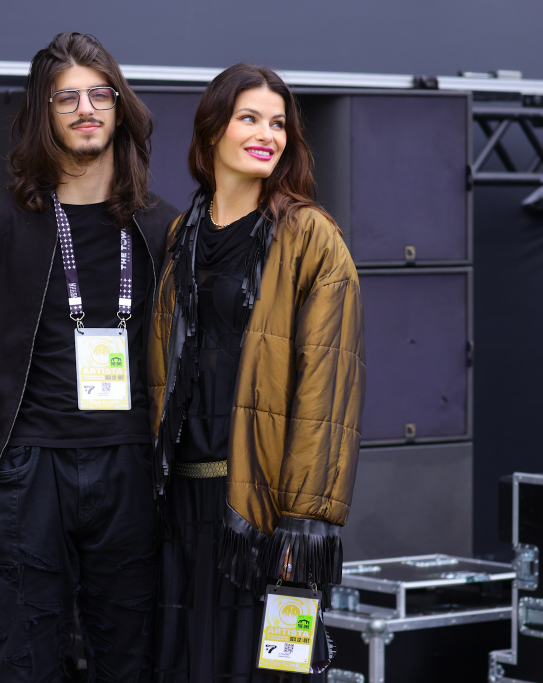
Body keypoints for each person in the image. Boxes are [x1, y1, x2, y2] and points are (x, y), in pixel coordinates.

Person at [0, 32, 179, 682]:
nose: (85, 108)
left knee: (132, 655)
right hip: (28, 469)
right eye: (65, 96)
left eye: (99, 93)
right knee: (17, 656)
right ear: (42, 113)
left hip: (132, 466)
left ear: (120, 106)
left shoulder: (164, 228)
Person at [149, 63, 364, 681]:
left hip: (265, 519)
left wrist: (300, 527)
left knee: (274, 668)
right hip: (184, 506)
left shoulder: (313, 238)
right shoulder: (178, 237)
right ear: (212, 129)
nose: (268, 133)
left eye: (278, 123)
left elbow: (330, 389)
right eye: (249, 118)